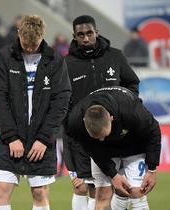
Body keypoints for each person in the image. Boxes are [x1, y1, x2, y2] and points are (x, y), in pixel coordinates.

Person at [0, 15, 71, 210]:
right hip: (8, 139)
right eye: (26, 44)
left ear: (42, 35)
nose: (30, 48)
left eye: (34, 44)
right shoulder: (3, 58)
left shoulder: (55, 60)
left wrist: (44, 138)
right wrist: (11, 137)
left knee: (40, 193)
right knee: (1, 190)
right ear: (18, 34)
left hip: (41, 141)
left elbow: (61, 100)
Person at [64, 14, 140, 210]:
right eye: (81, 35)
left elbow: (132, 84)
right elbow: (61, 99)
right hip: (82, 137)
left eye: (89, 33)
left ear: (96, 32)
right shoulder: (66, 64)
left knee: (112, 189)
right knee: (84, 187)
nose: (86, 38)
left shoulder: (115, 56)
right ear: (74, 36)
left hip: (113, 134)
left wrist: (124, 108)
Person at [65, 86, 161, 210]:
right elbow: (93, 150)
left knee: (137, 192)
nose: (102, 139)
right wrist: (113, 174)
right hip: (103, 151)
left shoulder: (130, 111)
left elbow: (154, 131)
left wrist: (152, 169)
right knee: (102, 196)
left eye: (104, 135)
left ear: (111, 118)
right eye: (97, 137)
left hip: (133, 144)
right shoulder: (76, 122)